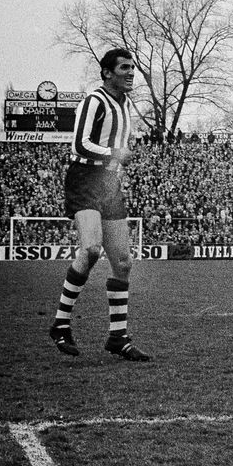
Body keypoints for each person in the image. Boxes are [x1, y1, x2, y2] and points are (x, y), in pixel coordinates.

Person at [48, 48, 152, 361]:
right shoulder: (95, 100)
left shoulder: (125, 105)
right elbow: (79, 144)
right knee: (91, 249)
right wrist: (112, 155)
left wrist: (118, 162)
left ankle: (118, 338)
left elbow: (118, 146)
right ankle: (61, 323)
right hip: (84, 179)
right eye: (124, 67)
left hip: (108, 183)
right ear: (107, 72)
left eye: (133, 68)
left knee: (123, 261)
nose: (131, 72)